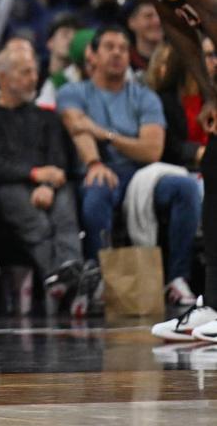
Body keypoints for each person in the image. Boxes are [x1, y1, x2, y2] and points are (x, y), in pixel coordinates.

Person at [67, 0, 217, 340]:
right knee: (213, 169)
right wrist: (209, 95)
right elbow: (177, 27)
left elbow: (209, 4)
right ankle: (211, 305)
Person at [56, 26, 201, 312]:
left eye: (123, 48)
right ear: (92, 55)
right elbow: (78, 129)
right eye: (109, 47)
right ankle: (97, 279)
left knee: (185, 187)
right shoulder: (72, 92)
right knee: (97, 190)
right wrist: (95, 163)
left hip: (141, 174)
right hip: (98, 168)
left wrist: (106, 134)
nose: (118, 53)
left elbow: (151, 150)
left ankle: (177, 278)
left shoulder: (144, 96)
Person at [0, 46, 84, 305]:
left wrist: (46, 183)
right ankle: (64, 279)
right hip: (8, 186)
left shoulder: (46, 116)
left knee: (64, 206)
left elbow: (58, 158)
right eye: (25, 72)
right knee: (36, 221)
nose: (34, 77)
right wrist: (34, 174)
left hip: (48, 184)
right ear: (3, 78)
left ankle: (68, 270)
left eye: (35, 71)